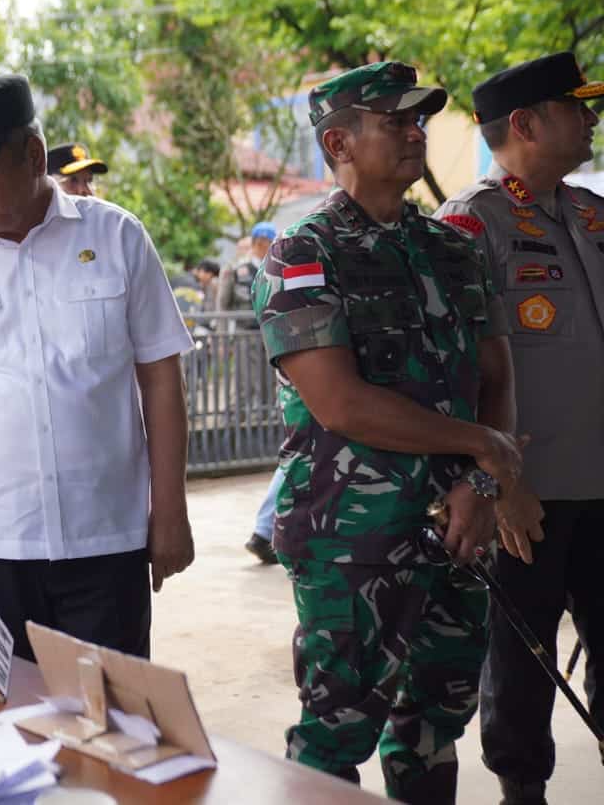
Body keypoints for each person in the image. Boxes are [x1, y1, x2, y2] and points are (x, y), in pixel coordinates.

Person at [251, 61, 533, 803]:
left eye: (420, 119)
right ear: (338, 142)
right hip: (353, 542)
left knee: (434, 726)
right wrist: (483, 449)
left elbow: (496, 378)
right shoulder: (303, 254)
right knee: (334, 734)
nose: (417, 132)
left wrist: (481, 484)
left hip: (459, 529)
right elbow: (341, 403)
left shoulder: (454, 249)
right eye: (396, 121)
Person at [0, 74, 195, 662]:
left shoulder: (118, 236)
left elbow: (161, 378)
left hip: (107, 537)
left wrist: (170, 511)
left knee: (110, 704)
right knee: (7, 705)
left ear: (32, 155)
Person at [436, 51, 603, 805]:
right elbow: (456, 370)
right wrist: (497, 484)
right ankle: (522, 791)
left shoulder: (592, 213)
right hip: (529, 495)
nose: (591, 118)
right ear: (527, 124)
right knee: (522, 663)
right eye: (577, 106)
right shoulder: (472, 222)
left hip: (602, 484)